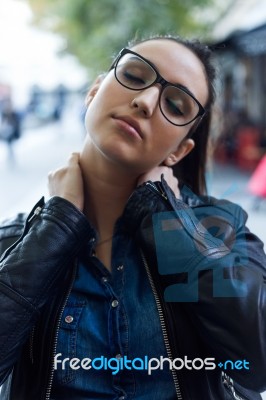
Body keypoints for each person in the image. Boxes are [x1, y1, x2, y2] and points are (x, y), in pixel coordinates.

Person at [0, 35, 265, 400]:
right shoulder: (14, 239)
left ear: (179, 151)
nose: (144, 101)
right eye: (135, 76)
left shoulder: (222, 230)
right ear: (93, 92)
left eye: (175, 103)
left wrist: (162, 217)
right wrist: (56, 227)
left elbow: (258, 361)